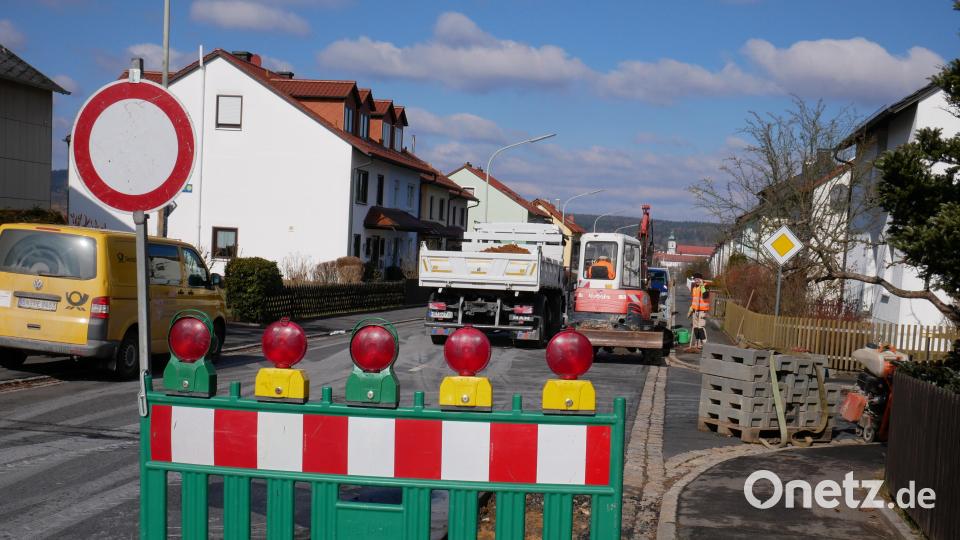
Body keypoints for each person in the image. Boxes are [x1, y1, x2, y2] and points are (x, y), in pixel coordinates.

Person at [687, 272, 710, 351]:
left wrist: (702, 286)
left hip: (702, 312)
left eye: (697, 279)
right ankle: (698, 343)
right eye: (695, 279)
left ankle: (705, 344)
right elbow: (694, 300)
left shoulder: (705, 286)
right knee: (695, 328)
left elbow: (705, 296)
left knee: (700, 328)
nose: (696, 281)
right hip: (695, 311)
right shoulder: (694, 288)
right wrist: (691, 309)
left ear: (701, 279)